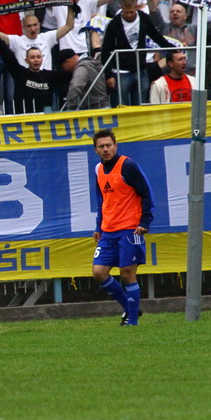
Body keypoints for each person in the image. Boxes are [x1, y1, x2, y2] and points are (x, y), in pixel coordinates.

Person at [91, 129, 154, 326]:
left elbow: (146, 193)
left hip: (129, 229)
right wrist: (99, 226)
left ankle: (132, 321)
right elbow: (102, 199)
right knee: (99, 272)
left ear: (115, 146)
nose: (106, 149)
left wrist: (145, 222)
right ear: (96, 150)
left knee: (127, 272)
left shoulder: (128, 165)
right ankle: (129, 308)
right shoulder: (98, 170)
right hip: (108, 230)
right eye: (101, 146)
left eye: (109, 145)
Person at [101, 0, 174, 106]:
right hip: (121, 71)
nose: (129, 15)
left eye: (131, 11)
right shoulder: (114, 24)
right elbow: (106, 50)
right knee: (121, 105)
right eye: (126, 12)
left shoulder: (144, 18)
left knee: (141, 103)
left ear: (136, 7)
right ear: (121, 9)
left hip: (140, 69)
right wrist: (109, 75)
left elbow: (156, 36)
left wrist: (172, 48)